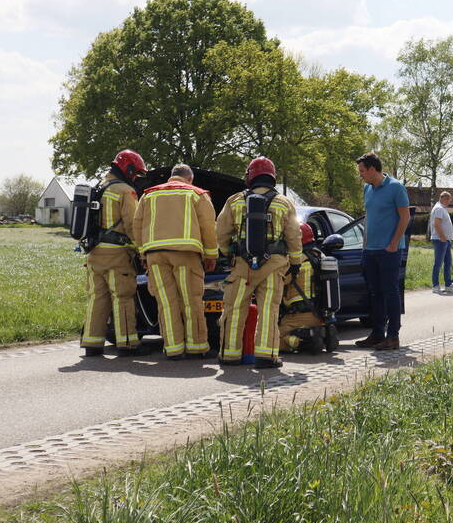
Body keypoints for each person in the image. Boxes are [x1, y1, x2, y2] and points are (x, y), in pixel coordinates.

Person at [216, 157, 302, 368]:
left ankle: (229, 354)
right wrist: (296, 261)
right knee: (268, 310)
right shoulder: (284, 202)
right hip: (273, 266)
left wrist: (229, 253)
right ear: (272, 177)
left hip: (241, 266)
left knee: (234, 309)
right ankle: (265, 356)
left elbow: (220, 232)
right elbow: (294, 235)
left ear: (250, 176)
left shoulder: (234, 200)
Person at [132, 163, 218, 360]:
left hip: (155, 256)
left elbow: (137, 227)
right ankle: (196, 348)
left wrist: (143, 255)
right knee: (191, 302)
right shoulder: (196, 194)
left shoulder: (148, 195)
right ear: (190, 179)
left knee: (166, 303)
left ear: (171, 177)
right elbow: (208, 228)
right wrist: (211, 255)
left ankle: (173, 349)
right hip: (186, 255)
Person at [81, 149, 146, 357]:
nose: (135, 177)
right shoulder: (125, 191)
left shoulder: (99, 188)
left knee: (97, 298)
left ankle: (92, 344)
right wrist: (142, 251)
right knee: (123, 297)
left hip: (94, 253)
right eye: (135, 172)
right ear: (127, 168)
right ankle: (127, 343)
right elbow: (132, 225)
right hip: (117, 255)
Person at [354, 152, 410, 351]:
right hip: (370, 250)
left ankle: (393, 336)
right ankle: (378, 334)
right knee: (375, 293)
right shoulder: (367, 189)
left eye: (362, 171)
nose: (360, 175)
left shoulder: (396, 187)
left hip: (389, 250)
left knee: (390, 292)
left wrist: (393, 243)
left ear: (372, 169)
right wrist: (364, 246)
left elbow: (405, 217)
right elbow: (369, 218)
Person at [279, 221, 324, 353]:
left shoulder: (294, 262)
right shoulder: (319, 256)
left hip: (297, 317)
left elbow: (277, 281)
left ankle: (304, 342)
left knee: (268, 341)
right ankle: (316, 333)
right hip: (319, 315)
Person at [430, 191, 453, 294]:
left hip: (445, 240)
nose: (450, 201)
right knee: (438, 263)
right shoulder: (439, 209)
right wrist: (442, 237)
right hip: (440, 240)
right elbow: (436, 224)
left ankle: (448, 285)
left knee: (448, 263)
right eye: (449, 199)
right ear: (444, 198)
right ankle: (435, 286)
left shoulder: (442, 208)